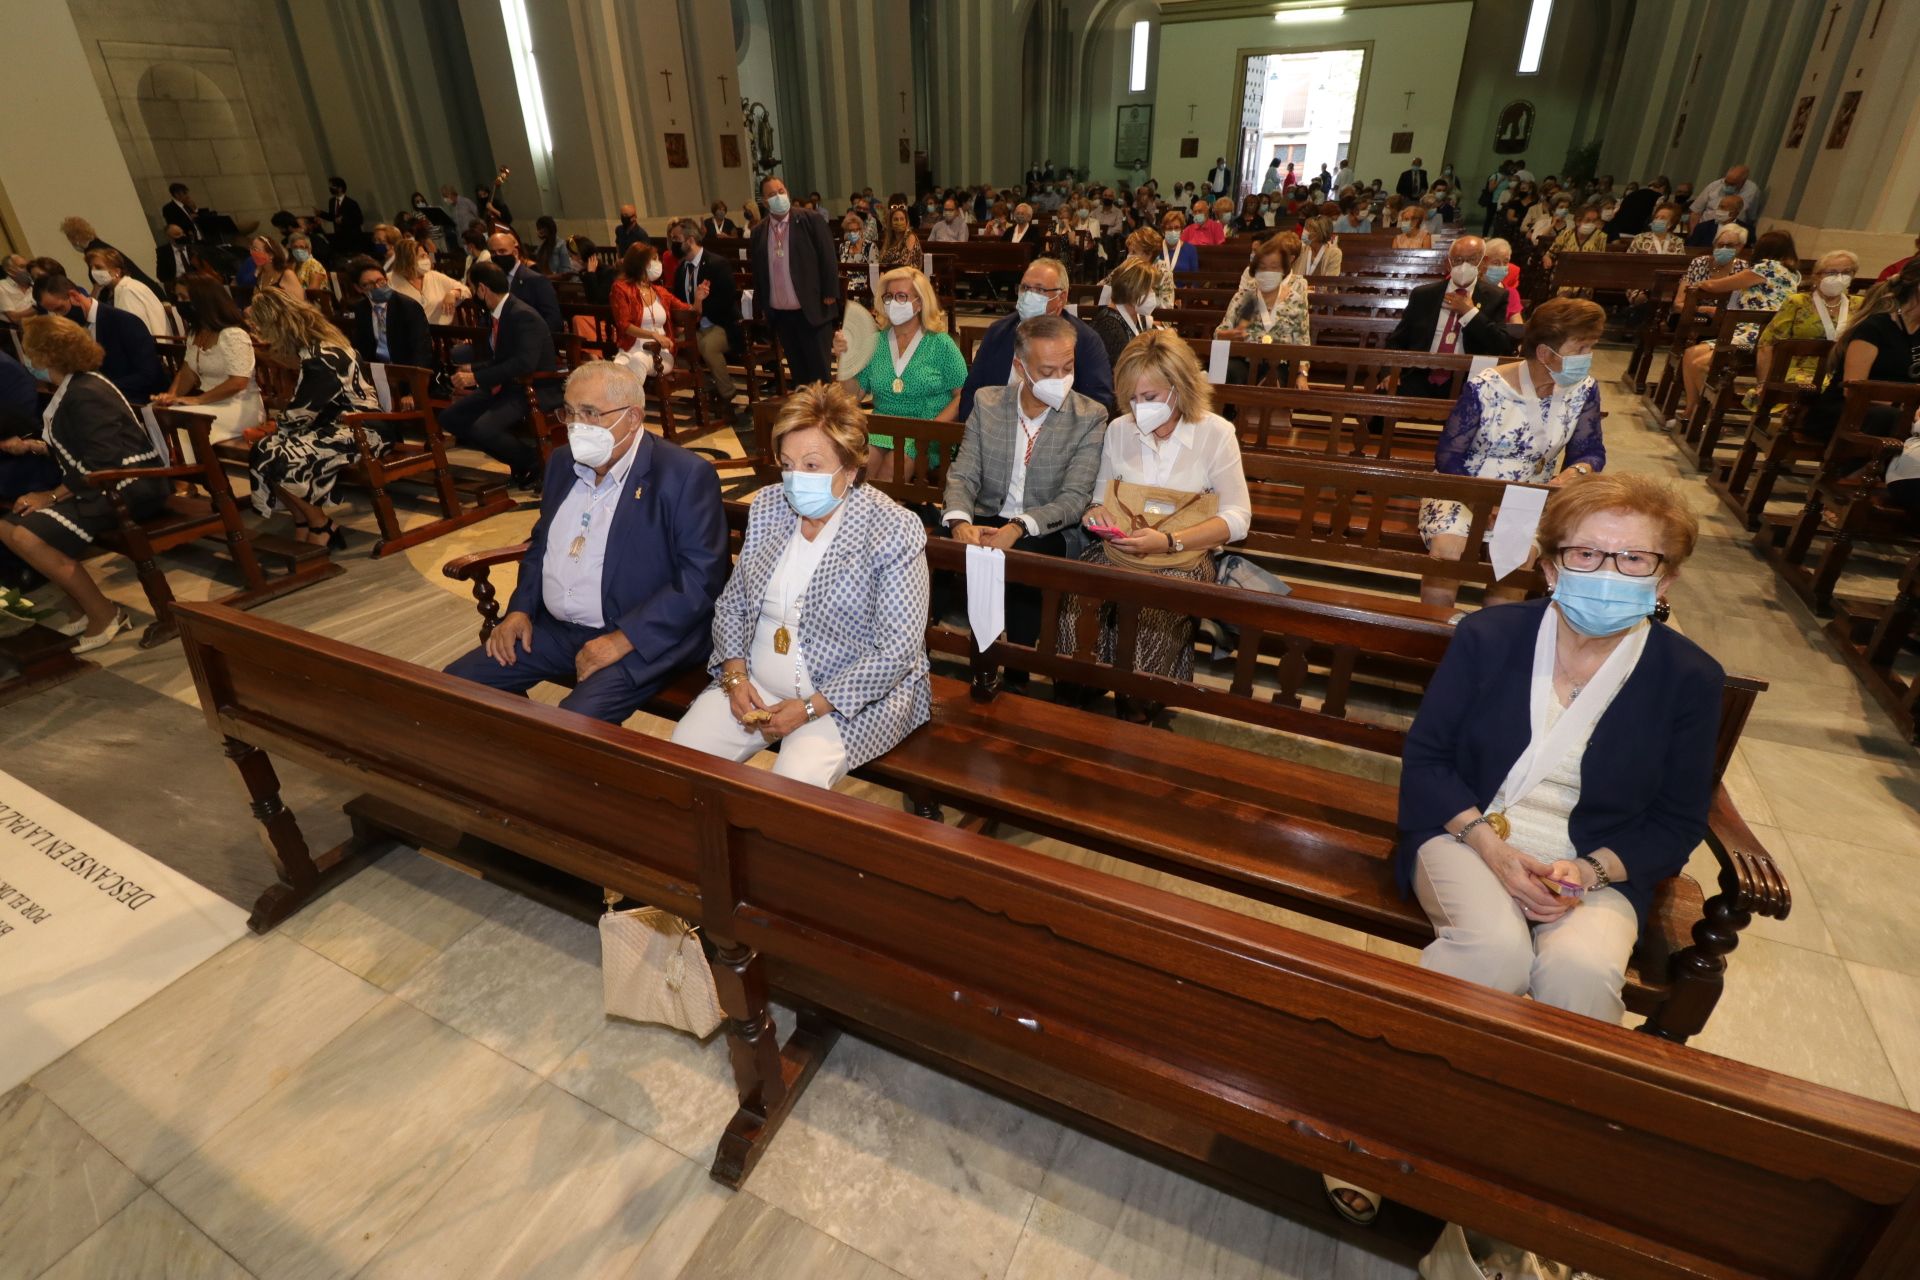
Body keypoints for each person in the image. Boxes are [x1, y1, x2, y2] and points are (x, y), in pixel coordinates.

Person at [1336, 472, 1719, 1227]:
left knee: (1579, 973)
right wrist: (1494, 851)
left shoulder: (1688, 678)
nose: (1608, 574)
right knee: (1493, 953)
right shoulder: (1490, 637)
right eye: (1588, 554)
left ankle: (1529, 1166)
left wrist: (1591, 870)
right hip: (1468, 834)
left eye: (1634, 560)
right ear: (1549, 566)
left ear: (1666, 575)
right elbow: (1430, 760)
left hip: (1598, 867)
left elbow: (1676, 819)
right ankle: (1366, 1132)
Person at [671, 382, 930, 786]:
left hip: (849, 698)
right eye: (787, 464)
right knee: (682, 757)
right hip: (755, 683)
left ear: (850, 468)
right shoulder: (770, 506)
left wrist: (810, 708)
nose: (794, 480)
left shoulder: (891, 527)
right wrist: (736, 677)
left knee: (793, 782)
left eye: (811, 465)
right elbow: (732, 605)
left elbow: (897, 651)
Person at [1063, 329, 1250, 715]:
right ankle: (1080, 695)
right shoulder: (1120, 430)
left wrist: (1169, 541)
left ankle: (1139, 705)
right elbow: (1100, 498)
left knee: (1151, 614)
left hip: (1183, 556)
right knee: (1074, 601)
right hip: (1123, 549)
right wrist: (1096, 514)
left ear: (1178, 388)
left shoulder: (1215, 434)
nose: (1138, 407)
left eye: (1149, 397)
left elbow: (1238, 518)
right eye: (1131, 398)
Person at [1418, 298, 1606, 606]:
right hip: (1466, 487)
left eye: (1591, 347)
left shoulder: (1583, 389)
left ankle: (1496, 637)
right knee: (1449, 550)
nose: (1588, 358)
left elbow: (1591, 450)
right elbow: (1448, 456)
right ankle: (1433, 634)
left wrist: (1577, 471)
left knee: (1517, 557)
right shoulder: (1487, 386)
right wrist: (1484, 502)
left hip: (1530, 494)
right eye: (1581, 349)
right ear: (1545, 353)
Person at [0, 316, 169, 651]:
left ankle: (105, 613)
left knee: (25, 534)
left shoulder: (86, 391)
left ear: (47, 355)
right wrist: (32, 446)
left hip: (130, 487)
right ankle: (83, 603)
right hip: (104, 483)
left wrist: (50, 495)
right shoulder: (74, 386)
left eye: (31, 351)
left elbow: (102, 461)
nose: (27, 358)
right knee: (7, 527)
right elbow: (82, 447)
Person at [944, 313, 1107, 644]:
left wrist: (1017, 527)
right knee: (936, 549)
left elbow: (1074, 498)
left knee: (1024, 563)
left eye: (1067, 368)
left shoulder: (1089, 416)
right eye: (1047, 372)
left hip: (1044, 525)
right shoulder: (988, 402)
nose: (1060, 379)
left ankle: (1017, 668)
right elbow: (964, 473)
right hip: (987, 513)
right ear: (1020, 367)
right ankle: (944, 657)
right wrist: (961, 522)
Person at [243, 289, 380, 547]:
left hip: (362, 429)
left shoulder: (323, 356)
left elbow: (302, 411)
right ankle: (305, 520)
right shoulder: (314, 348)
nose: (262, 338)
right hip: (334, 427)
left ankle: (320, 524)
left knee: (277, 454)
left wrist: (275, 427)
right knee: (264, 451)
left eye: (262, 330)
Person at [831, 266, 967, 478]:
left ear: (920, 303)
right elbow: (851, 396)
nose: (894, 303)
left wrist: (933, 427)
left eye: (902, 297)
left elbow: (962, 395)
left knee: (893, 467)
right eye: (889, 297)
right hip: (883, 427)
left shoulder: (940, 344)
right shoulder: (875, 343)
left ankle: (890, 510)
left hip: (925, 432)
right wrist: (845, 359)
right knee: (861, 467)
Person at [439, 262, 558, 489]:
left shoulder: (522, 314)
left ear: (482, 289)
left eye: (473, 288)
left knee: (483, 429)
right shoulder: (502, 312)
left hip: (532, 387)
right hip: (507, 384)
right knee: (450, 418)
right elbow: (503, 358)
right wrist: (474, 369)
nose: (473, 293)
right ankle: (522, 461)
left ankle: (535, 461)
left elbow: (524, 363)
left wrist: (476, 378)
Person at [958, 258, 1113, 420]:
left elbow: (1099, 401)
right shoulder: (998, 332)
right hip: (997, 430)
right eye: (1025, 288)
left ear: (1062, 297)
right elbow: (972, 391)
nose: (1029, 296)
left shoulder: (1085, 340)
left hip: (1060, 435)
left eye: (1039, 290)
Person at [1675, 230, 1800, 424]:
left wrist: (1700, 283)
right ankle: (1691, 410)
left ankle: (1709, 417)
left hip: (1756, 338)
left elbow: (1718, 286)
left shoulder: (1767, 267)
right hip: (1748, 331)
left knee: (1700, 364)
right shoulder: (1793, 273)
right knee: (1691, 354)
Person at [1803, 259, 1920, 440]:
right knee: (1891, 418)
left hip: (1899, 413)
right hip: (1849, 412)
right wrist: (1903, 407)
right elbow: (1853, 389)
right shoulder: (1875, 327)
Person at [1385, 237, 1518, 396]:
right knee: (1382, 397)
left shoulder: (1496, 296)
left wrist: (1470, 313)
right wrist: (1389, 373)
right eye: (1458, 260)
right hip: (1420, 373)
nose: (1464, 265)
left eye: (1472, 259)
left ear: (1483, 262)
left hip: (1468, 380)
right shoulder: (1424, 295)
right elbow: (1397, 340)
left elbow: (1501, 345)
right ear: (1448, 263)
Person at [751, 175, 842, 389]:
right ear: (764, 201)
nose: (778, 197)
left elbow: (827, 256)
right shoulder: (759, 231)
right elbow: (759, 272)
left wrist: (830, 292)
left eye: (781, 191)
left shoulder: (810, 220)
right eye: (772, 194)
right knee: (799, 374)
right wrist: (762, 305)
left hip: (812, 309)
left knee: (819, 373)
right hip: (782, 313)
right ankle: (805, 417)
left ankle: (825, 418)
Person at [151, 276, 263, 442]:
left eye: (183, 298)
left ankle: (194, 466)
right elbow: (187, 372)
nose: (179, 303)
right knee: (153, 412)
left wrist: (197, 400)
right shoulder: (195, 333)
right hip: (210, 403)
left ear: (201, 301)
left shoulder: (233, 334)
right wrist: (170, 397)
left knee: (183, 420)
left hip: (238, 407)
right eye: (178, 298)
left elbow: (238, 382)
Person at [31, 275, 166, 404]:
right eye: (54, 313)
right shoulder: (73, 329)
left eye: (60, 309)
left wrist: (98, 391)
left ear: (73, 296)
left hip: (138, 398)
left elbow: (148, 374)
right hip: (103, 399)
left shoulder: (123, 321)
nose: (59, 317)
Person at [1217, 233, 1312, 386]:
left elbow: (1303, 342)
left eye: (1274, 267)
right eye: (1263, 267)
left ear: (1283, 269)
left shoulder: (1295, 300)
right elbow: (1221, 332)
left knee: (1274, 382)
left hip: (1278, 364)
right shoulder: (1243, 297)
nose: (1268, 272)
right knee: (1228, 373)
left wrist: (1302, 374)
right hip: (1243, 361)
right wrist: (1227, 335)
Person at [672, 221, 744, 419]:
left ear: (691, 240)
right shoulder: (681, 269)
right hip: (694, 325)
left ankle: (727, 396)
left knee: (707, 346)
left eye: (676, 239)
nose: (673, 243)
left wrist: (699, 309)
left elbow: (725, 300)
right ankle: (709, 387)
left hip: (721, 324)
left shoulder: (717, 264)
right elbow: (677, 300)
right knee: (674, 348)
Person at [1755, 251, 1859, 387]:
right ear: (1817, 276)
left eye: (1846, 272)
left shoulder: (1860, 305)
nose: (1839, 278)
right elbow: (1767, 344)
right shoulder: (1798, 302)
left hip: (1844, 372)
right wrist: (1763, 384)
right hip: (1801, 371)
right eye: (1831, 272)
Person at [609, 241, 690, 373]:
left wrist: (699, 300)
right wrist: (653, 334)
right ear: (641, 264)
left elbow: (687, 310)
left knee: (639, 360)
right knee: (616, 369)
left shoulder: (660, 291)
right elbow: (624, 325)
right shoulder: (621, 288)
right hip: (630, 348)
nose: (658, 263)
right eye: (654, 259)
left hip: (659, 351)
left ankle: (633, 394)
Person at [346, 257, 432, 373]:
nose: (377, 287)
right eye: (369, 285)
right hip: (377, 371)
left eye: (380, 281)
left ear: (386, 279)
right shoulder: (361, 309)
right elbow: (362, 348)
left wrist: (414, 385)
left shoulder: (408, 307)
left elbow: (421, 351)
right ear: (358, 288)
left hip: (407, 371)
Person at [60, 216, 163, 297]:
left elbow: (104, 285)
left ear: (75, 238)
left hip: (136, 293)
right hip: (147, 289)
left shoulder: (94, 253)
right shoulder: (100, 245)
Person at [1087, 260, 1162, 371]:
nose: (1152, 294)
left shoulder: (1136, 315)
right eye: (1149, 289)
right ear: (1132, 290)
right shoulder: (1108, 326)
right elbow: (1119, 372)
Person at [488, 231, 564, 335]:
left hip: (530, 341)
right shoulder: (492, 279)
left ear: (515, 253)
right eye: (492, 253)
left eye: (502, 251)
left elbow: (553, 321)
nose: (497, 256)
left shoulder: (536, 280)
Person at [83, 249, 166, 337]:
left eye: (98, 267)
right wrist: (96, 290)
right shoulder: (109, 291)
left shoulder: (128, 291)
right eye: (91, 268)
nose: (93, 272)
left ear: (117, 272)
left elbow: (134, 330)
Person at [392, 238, 468, 326]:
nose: (427, 258)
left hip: (442, 333)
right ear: (409, 260)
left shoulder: (433, 275)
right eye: (422, 256)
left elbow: (466, 290)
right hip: (412, 335)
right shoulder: (391, 280)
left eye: (426, 255)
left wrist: (453, 293)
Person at [1690, 164, 1761, 226]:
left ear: (1743, 181)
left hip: (1732, 230)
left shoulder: (1752, 191)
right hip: (1706, 227)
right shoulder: (1714, 186)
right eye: (1726, 182)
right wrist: (1693, 234)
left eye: (1732, 184)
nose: (1727, 186)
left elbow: (1751, 218)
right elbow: (1696, 211)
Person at [316, 176, 366, 256]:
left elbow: (359, 220)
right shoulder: (332, 201)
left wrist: (344, 220)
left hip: (351, 237)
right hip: (339, 236)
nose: (330, 188)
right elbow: (333, 217)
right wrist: (321, 214)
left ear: (340, 188)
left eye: (333, 186)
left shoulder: (351, 203)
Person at [1481, 237, 1524, 321]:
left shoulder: (1511, 293)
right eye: (1496, 263)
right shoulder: (1472, 289)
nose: (1501, 267)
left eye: (1505, 262)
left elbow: (1517, 327)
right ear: (1483, 263)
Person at [877, 204, 924, 270]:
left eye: (902, 219)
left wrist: (886, 268)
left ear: (906, 221)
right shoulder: (889, 240)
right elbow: (881, 260)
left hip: (907, 275)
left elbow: (905, 262)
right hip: (890, 275)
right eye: (896, 219)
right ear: (890, 223)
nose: (899, 222)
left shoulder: (910, 236)